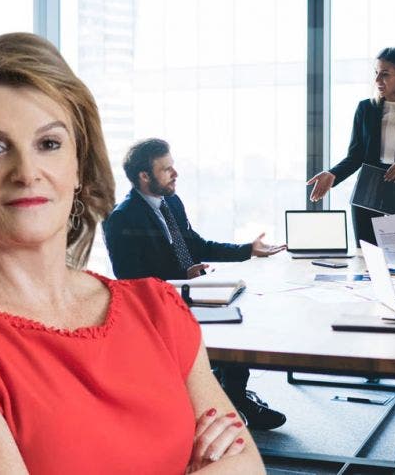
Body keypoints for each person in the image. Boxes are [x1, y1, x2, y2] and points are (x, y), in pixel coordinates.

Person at [0, 33, 264, 474]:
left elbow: (248, 465)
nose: (26, 172)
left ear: (78, 166)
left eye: (49, 144)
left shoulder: (157, 309)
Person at [102, 138, 287, 430]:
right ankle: (228, 403)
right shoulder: (121, 219)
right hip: (156, 309)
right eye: (167, 169)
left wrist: (247, 250)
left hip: (188, 294)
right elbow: (131, 282)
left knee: (237, 322)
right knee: (228, 330)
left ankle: (235, 397)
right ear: (144, 176)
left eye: (173, 167)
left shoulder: (171, 202)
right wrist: (179, 280)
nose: (175, 174)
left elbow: (196, 246)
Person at [307, 47, 395, 246]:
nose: (377, 80)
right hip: (368, 191)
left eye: (385, 74)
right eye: (376, 73)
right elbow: (355, 156)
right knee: (368, 260)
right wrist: (332, 174)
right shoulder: (366, 109)